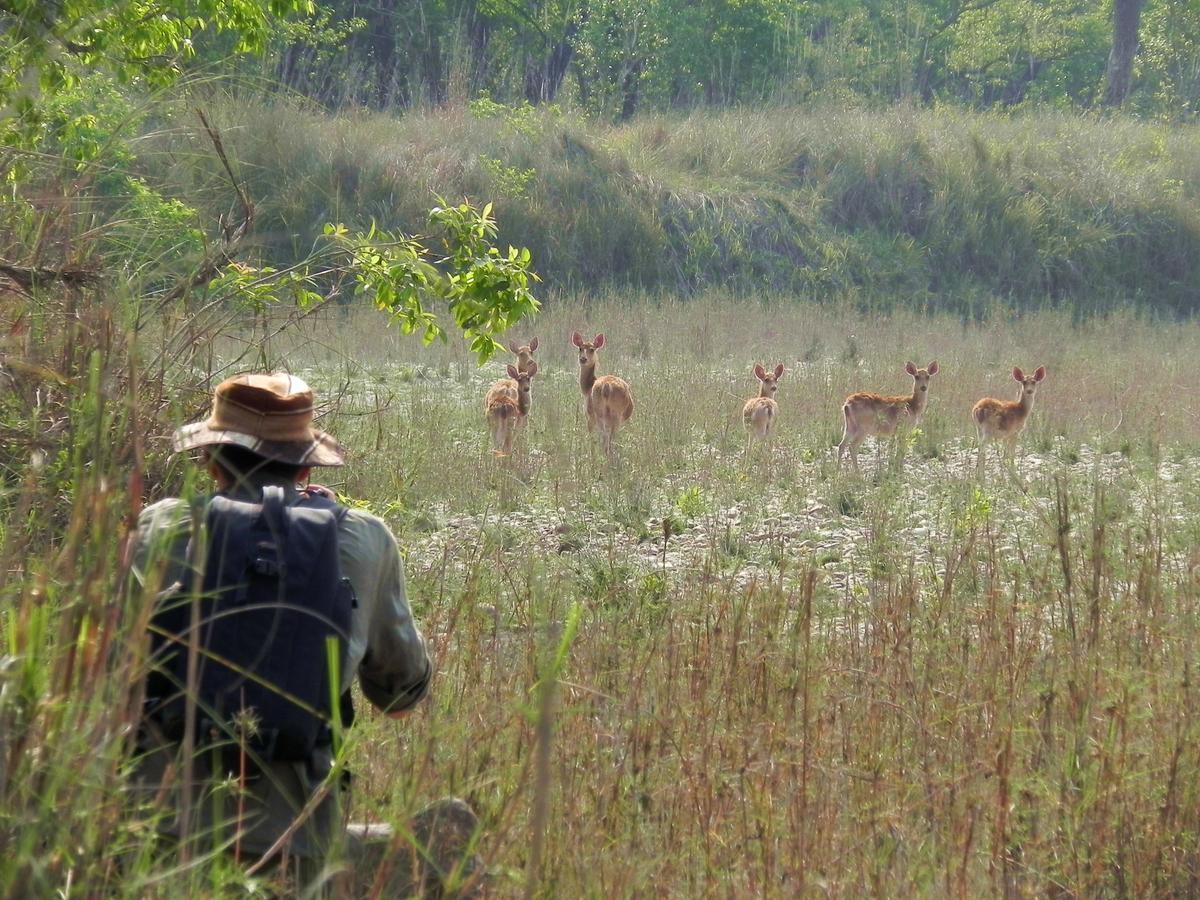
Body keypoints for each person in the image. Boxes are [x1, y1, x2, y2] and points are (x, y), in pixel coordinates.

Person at [127, 372, 432, 887]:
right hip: (296, 833)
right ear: (308, 462)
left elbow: (108, 671)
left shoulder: (160, 526)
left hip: (162, 826)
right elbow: (401, 693)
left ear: (210, 460)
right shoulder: (363, 538)